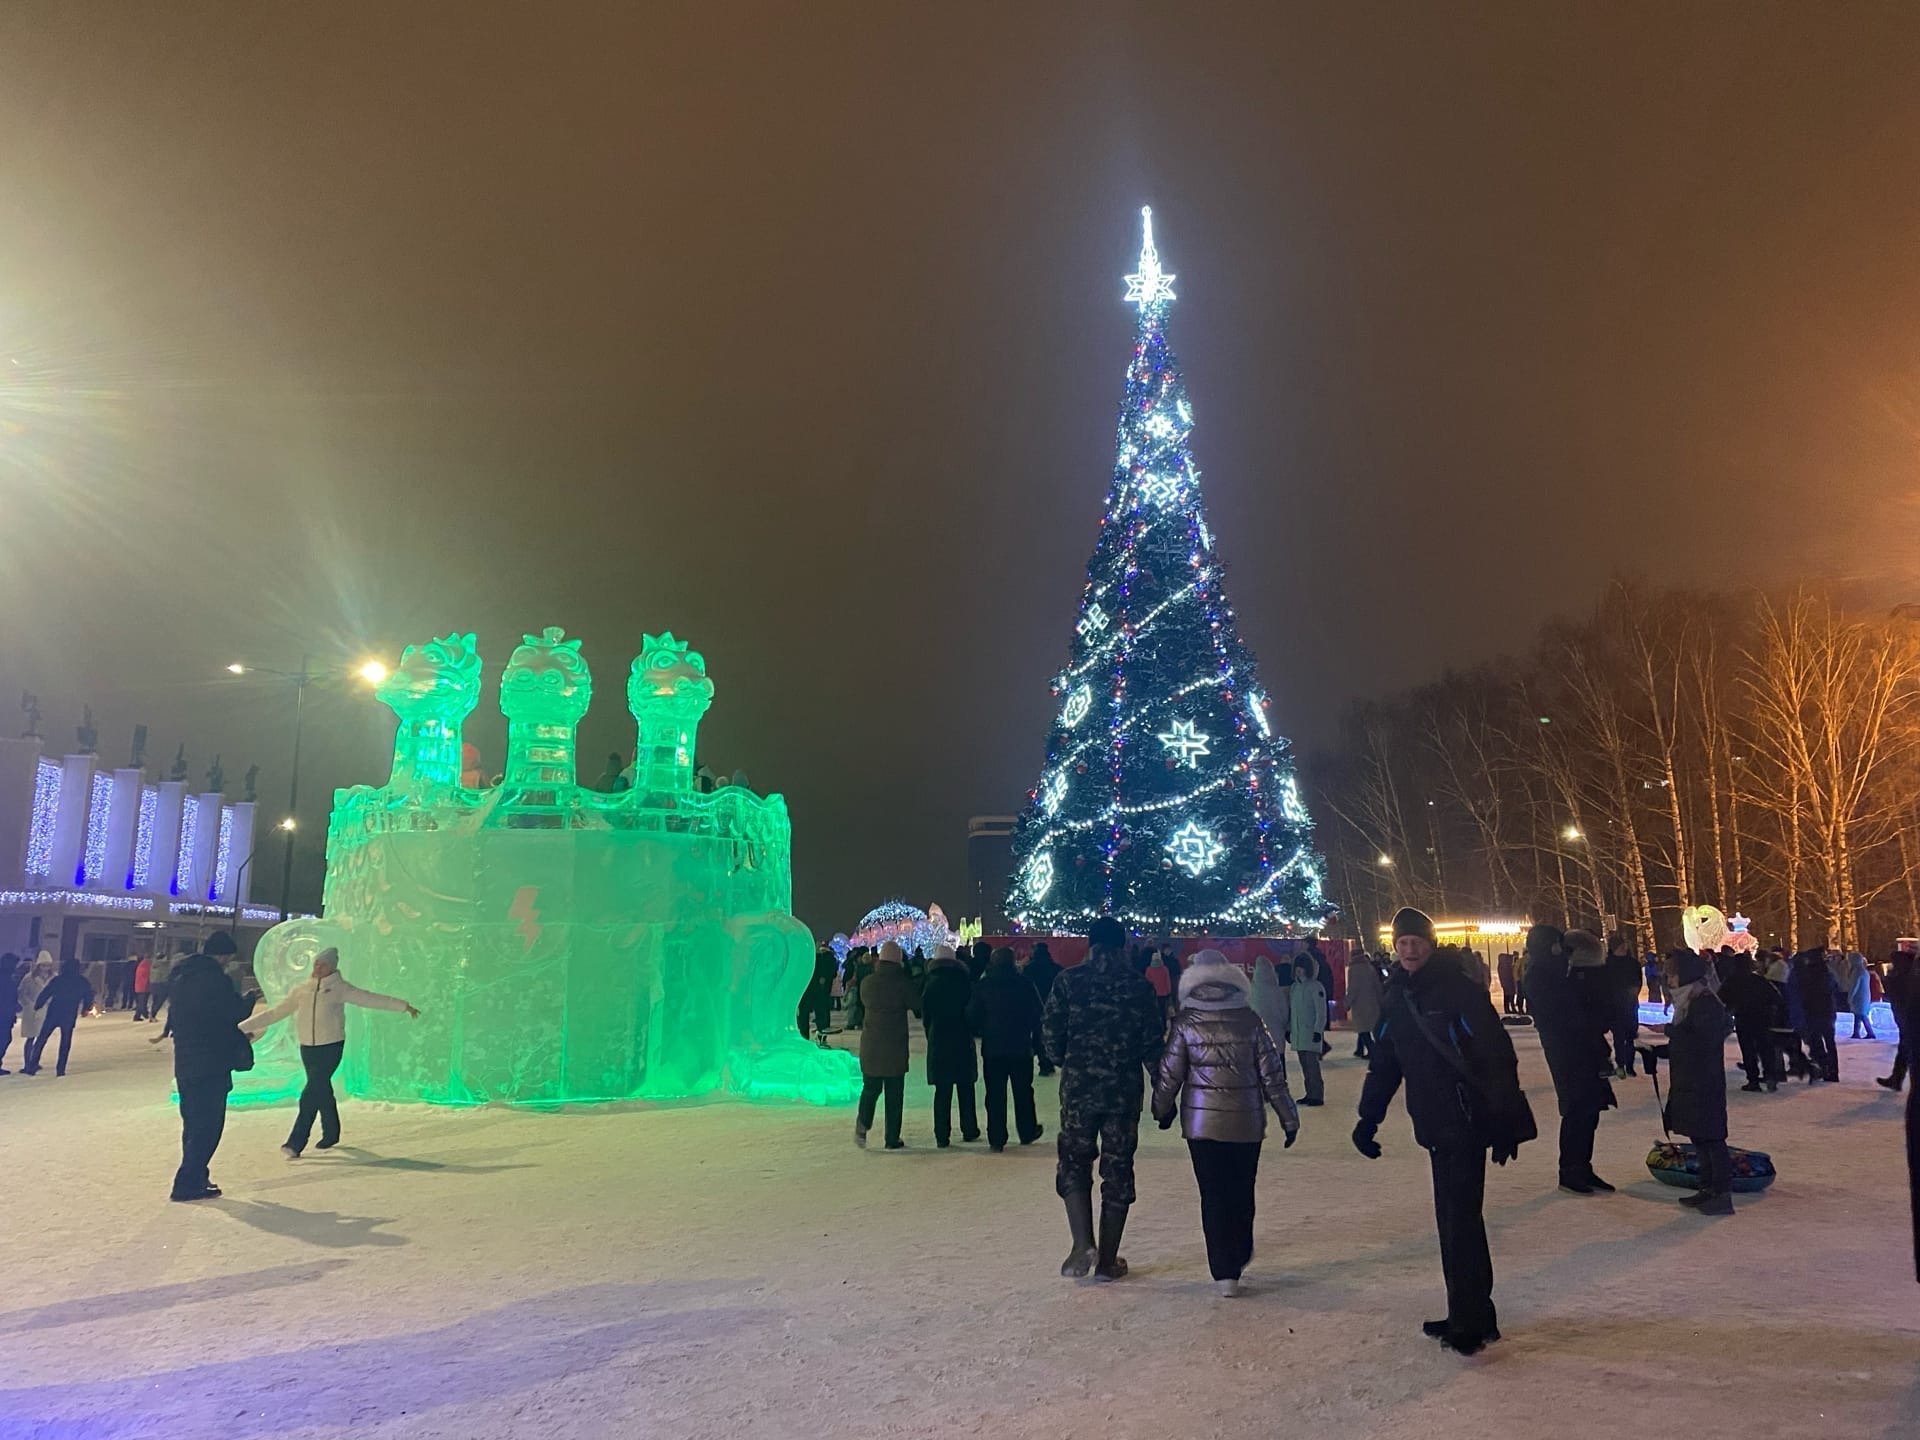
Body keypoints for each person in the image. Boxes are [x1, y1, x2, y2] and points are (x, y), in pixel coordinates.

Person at [1354, 908, 1533, 1356]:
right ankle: (1471, 1313)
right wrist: (1368, 1117)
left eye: (1417, 942)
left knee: (1459, 1221)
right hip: (1433, 1121)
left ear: (1430, 945)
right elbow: (1386, 1063)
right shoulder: (1397, 995)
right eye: (1402, 944)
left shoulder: (1456, 990)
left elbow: (1495, 1055)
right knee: (1454, 1221)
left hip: (1465, 1119)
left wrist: (1505, 1119)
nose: (1409, 950)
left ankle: (1470, 1321)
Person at [1152, 948, 1299, 1297]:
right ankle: (1239, 1251)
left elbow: (1169, 1074)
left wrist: (1162, 1109)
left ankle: (1223, 1271)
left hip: (1202, 1125)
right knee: (1241, 1190)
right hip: (1247, 1122)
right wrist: (1288, 1116)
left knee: (1213, 1194)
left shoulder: (1185, 1022)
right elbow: (1272, 1075)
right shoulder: (1249, 1019)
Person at [1043, 916, 1165, 1282]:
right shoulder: (1138, 986)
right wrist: (1164, 1091)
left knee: (1074, 1160)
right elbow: (1153, 1045)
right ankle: (1108, 1260)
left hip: (1079, 1090)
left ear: (1090, 944)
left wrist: (1067, 1058)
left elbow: (1051, 1038)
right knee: (1117, 1168)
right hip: (1122, 1094)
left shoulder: (1068, 981)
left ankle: (1082, 1242)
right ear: (1122, 944)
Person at [240, 946, 419, 1158]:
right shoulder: (302, 990)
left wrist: (403, 1006)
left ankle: (295, 1142)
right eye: (316, 963)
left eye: (323, 964)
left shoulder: (339, 988)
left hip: (331, 1047)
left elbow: (369, 998)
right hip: (308, 1048)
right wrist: (241, 1027)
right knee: (321, 1090)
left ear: (332, 968)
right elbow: (275, 1013)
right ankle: (332, 1133)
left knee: (310, 1093)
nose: (317, 967)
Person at [1522, 925, 1618, 1194]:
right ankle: (1571, 1171)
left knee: (1590, 1109)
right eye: (1557, 945)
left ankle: (1582, 1167)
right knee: (1578, 1109)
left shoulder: (1556, 971)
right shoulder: (1542, 975)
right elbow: (1567, 1013)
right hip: (1567, 1049)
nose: (1562, 950)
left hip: (1581, 1046)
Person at [165, 932, 258, 1201]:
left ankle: (196, 1176)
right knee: (209, 1125)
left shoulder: (182, 979)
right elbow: (232, 1013)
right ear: (222, 955)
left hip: (185, 1061)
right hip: (212, 1063)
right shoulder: (216, 981)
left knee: (193, 1124)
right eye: (228, 956)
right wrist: (248, 1000)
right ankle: (187, 1182)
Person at [1663, 950, 1734, 1215]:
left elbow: (1701, 1040)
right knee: (1700, 1135)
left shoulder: (1704, 1002)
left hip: (1704, 1080)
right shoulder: (1689, 1001)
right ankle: (1707, 1188)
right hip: (1692, 1077)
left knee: (1712, 1137)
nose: (1669, 979)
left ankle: (1721, 1192)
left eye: (1672, 973)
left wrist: (1670, 1032)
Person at [968, 945, 1045, 1151]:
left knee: (995, 1093)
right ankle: (1027, 1130)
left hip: (993, 1047)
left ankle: (996, 1136)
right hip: (1020, 1045)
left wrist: (983, 1029)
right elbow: (1037, 1012)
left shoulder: (984, 985)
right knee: (1023, 1091)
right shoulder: (1024, 983)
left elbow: (973, 1015)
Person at [854, 941, 919, 1150]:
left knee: (870, 1089)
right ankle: (892, 1137)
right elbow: (917, 1005)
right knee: (894, 1094)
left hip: (871, 1045)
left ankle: (862, 1126)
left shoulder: (868, 983)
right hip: (894, 1046)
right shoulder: (901, 983)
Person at [921, 943, 980, 1147]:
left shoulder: (931, 983)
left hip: (939, 1039)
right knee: (966, 1089)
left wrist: (931, 1032)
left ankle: (942, 1134)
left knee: (942, 1091)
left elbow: (925, 1015)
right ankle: (969, 1128)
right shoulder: (964, 981)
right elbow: (972, 1011)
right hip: (961, 1037)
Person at [1721, 954, 1784, 1093]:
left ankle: (1753, 1080)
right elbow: (1776, 997)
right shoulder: (1759, 980)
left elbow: (1721, 999)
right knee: (1766, 1048)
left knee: (1748, 1050)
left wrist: (1732, 1007)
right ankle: (1770, 1076)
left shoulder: (1731, 981)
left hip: (1743, 1019)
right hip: (1762, 1019)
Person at [22, 956, 94, 1076]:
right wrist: (86, 1008)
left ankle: (32, 1065)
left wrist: (38, 1005)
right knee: (65, 1041)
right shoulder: (82, 981)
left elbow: (47, 992)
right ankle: (60, 1069)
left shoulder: (59, 979)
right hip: (69, 1014)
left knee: (42, 1039)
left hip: (54, 1012)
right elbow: (88, 995)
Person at [1792, 947, 1842, 1084]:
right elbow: (1836, 988)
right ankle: (1833, 1071)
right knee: (1830, 1042)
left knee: (1816, 1041)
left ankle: (1822, 1067)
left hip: (1813, 1012)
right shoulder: (1827, 973)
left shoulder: (1807, 974)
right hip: (1827, 1011)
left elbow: (1803, 993)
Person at [1286, 956, 1327, 1105]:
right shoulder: (1295, 987)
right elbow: (1292, 1011)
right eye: (1297, 966)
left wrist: (1318, 1030)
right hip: (1298, 1033)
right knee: (1305, 1065)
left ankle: (1317, 1094)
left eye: (1301, 966)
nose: (1298, 969)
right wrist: (1289, 1028)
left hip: (1310, 1032)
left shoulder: (1315, 987)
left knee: (1312, 1066)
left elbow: (1321, 1011)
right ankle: (1310, 1092)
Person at [1605, 932, 1642, 1077]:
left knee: (1631, 1037)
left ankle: (1630, 1065)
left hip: (1630, 1004)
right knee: (1619, 1038)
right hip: (1615, 1007)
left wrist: (1634, 992)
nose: (1624, 948)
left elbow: (1637, 980)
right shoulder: (1608, 964)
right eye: (1621, 946)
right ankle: (1621, 1064)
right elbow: (1605, 986)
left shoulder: (1632, 963)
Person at [1879, 949, 1916, 1091]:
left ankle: (1897, 1079)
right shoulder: (1906, 974)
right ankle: (1896, 1078)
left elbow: (1896, 993)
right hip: (1905, 1017)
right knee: (1904, 1048)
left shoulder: (1904, 976)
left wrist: (1887, 979)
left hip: (1908, 1017)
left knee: (1907, 1048)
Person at [1024, 943, 1062, 1075]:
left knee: (1038, 1034)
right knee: (1052, 1032)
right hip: (1053, 1005)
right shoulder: (1056, 968)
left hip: (1036, 1007)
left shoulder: (1029, 969)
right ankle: (1051, 1059)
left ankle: (1043, 1062)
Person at [1345, 948, 1384, 1059]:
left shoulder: (1353, 969)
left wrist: (1347, 1002)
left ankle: (1373, 1051)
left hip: (1360, 1003)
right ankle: (1360, 1049)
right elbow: (1377, 985)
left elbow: (1353, 988)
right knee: (1366, 1027)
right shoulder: (1369, 967)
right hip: (1372, 1001)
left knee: (1363, 1029)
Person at [799, 945, 837, 1044]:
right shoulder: (820, 959)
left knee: (804, 1015)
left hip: (806, 990)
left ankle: (805, 1037)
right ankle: (821, 1036)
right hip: (817, 990)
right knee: (820, 1014)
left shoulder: (802, 960)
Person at [1249, 955, 1290, 1047]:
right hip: (1277, 1032)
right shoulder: (1276, 990)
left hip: (1257, 1034)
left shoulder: (1252, 991)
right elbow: (1284, 1011)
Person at [1843, 951, 1876, 1040]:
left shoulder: (1857, 972)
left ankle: (1869, 1033)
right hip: (1864, 996)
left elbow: (1854, 986)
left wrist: (1850, 997)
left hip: (1859, 997)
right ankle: (1856, 1032)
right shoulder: (1863, 971)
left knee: (1861, 1015)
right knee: (1859, 1015)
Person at [0, 953, 20, 1074]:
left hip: (6, 1014)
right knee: (4, 1040)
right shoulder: (6, 979)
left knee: (5, 1039)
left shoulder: (8, 978)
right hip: (4, 1015)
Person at [1143, 949, 1174, 1020]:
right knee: (1163, 1010)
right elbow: (1168, 981)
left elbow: (1147, 982)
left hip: (1153, 994)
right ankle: (1164, 1025)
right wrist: (1169, 992)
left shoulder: (1149, 969)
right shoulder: (1165, 969)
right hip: (1163, 993)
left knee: (1154, 1011)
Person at [132, 954, 153, 1022]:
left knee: (141, 1003)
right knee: (142, 1003)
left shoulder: (140, 966)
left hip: (139, 987)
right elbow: (147, 978)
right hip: (143, 988)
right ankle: (140, 1015)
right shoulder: (146, 967)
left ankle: (140, 1015)